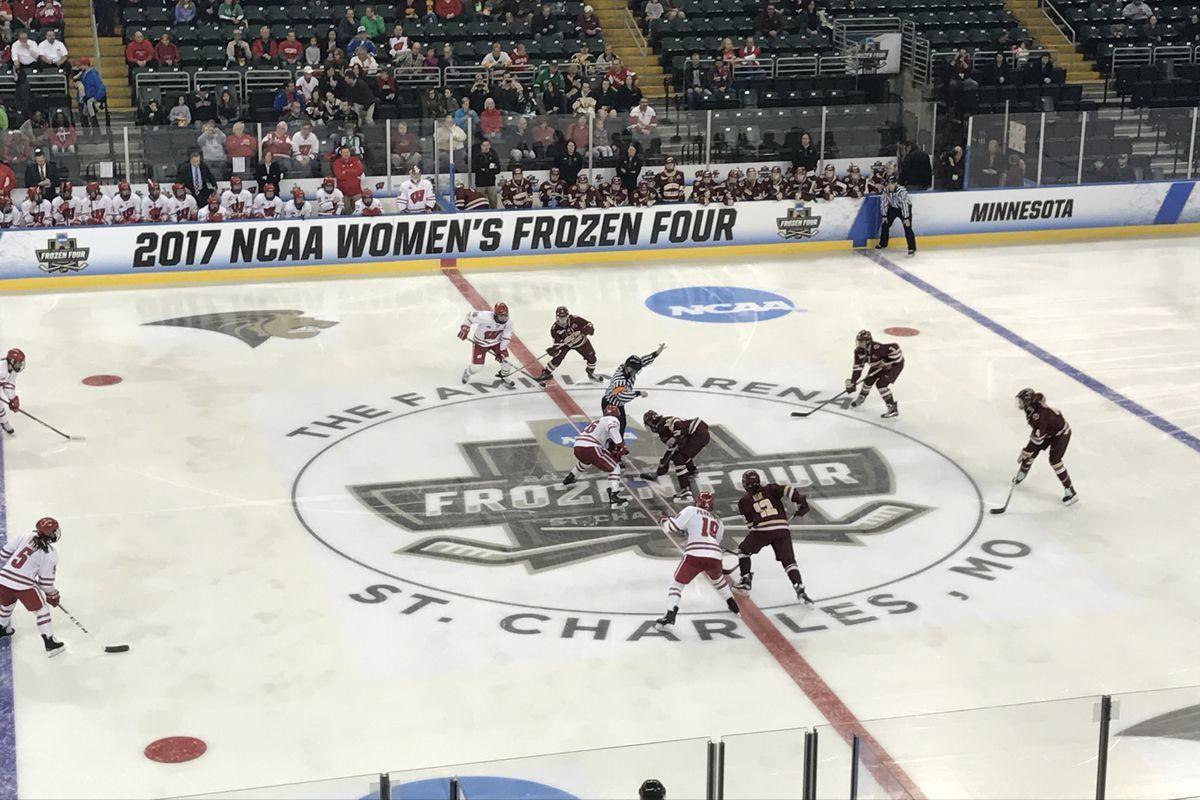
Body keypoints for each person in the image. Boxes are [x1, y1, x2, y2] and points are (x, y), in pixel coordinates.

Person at [654, 492, 739, 631]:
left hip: (695, 554)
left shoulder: (691, 510)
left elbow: (671, 527)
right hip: (715, 556)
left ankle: (670, 615)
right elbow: (715, 541)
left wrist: (663, 520)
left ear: (697, 502)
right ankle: (733, 604)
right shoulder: (719, 522)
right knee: (718, 581)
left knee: (677, 585)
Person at [732, 470, 813, 603]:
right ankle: (800, 589)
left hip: (762, 530)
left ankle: (746, 580)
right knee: (789, 563)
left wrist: (756, 541)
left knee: (743, 550)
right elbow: (789, 489)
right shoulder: (770, 489)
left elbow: (751, 526)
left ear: (745, 484)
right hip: (782, 529)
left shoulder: (743, 502)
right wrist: (800, 501)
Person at [0, 516, 65, 657]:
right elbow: (46, 583)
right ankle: (50, 643)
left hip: (3, 579)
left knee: (7, 605)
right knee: (42, 610)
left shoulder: (26, 536)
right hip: (24, 586)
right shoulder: (50, 554)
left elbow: (4, 553)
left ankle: (2, 627)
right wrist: (53, 594)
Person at [1014, 388, 1077, 505]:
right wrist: (1028, 452)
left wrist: (1026, 451)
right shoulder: (1032, 406)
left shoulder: (1040, 416)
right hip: (1048, 431)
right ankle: (1023, 472)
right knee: (1031, 452)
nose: (1019, 403)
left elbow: (1037, 439)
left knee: (1055, 461)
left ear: (1028, 401)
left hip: (1061, 434)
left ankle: (1070, 490)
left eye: (1022, 401)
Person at [560, 405, 629, 507]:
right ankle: (614, 495)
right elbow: (612, 429)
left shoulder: (596, 421)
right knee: (615, 468)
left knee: (586, 460)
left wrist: (614, 452)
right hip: (591, 447)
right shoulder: (612, 419)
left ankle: (572, 476)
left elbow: (603, 445)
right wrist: (620, 445)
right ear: (616, 415)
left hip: (578, 445)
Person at [643, 411, 709, 501]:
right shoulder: (665, 421)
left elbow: (680, 431)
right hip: (699, 431)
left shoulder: (663, 428)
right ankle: (692, 470)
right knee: (682, 453)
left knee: (679, 458)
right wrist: (660, 471)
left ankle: (685, 490)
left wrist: (659, 471)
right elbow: (674, 447)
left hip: (697, 434)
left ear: (651, 423)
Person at [601, 345, 664, 434]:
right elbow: (622, 396)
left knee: (622, 424)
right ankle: (612, 445)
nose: (635, 373)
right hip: (611, 403)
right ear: (629, 368)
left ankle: (617, 444)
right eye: (635, 371)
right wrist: (638, 393)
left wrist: (656, 353)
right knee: (615, 426)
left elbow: (642, 361)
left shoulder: (628, 368)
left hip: (617, 403)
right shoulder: (620, 380)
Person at [535, 306, 603, 385]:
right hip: (566, 344)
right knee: (557, 358)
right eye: (560, 317)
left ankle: (591, 372)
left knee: (592, 358)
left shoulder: (575, 319)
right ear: (556, 317)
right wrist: (554, 350)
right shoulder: (554, 329)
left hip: (581, 342)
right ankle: (546, 373)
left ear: (568, 316)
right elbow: (557, 344)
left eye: (564, 317)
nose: (562, 320)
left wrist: (588, 329)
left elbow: (589, 324)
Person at [457, 301, 516, 387]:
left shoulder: (509, 322)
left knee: (506, 362)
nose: (504, 318)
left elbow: (506, 337)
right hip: (480, 344)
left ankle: (505, 377)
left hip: (497, 343)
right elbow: (469, 316)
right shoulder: (485, 317)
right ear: (495, 315)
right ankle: (468, 372)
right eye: (501, 316)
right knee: (476, 368)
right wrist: (465, 328)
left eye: (506, 315)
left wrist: (501, 351)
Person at [876, 174, 915, 256]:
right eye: (888, 184)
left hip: (904, 209)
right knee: (885, 225)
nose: (890, 186)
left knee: (907, 227)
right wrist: (884, 215)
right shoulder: (886, 191)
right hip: (893, 208)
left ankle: (911, 248)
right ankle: (883, 243)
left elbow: (904, 204)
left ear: (895, 183)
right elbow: (884, 203)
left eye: (891, 184)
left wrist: (906, 217)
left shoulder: (901, 191)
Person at [331, 144, 363, 213]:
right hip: (343, 193)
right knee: (345, 210)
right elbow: (339, 176)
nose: (346, 154)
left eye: (347, 152)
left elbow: (359, 171)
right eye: (344, 152)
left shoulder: (355, 160)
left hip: (356, 192)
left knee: (360, 209)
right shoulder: (336, 163)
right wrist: (352, 172)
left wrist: (345, 171)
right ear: (341, 153)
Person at [0, 348, 23, 436]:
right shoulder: (1, 367)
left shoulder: (13, 372)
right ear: (12, 361)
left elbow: (8, 386)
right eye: (18, 363)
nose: (20, 366)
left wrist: (12, 399)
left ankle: (4, 422)